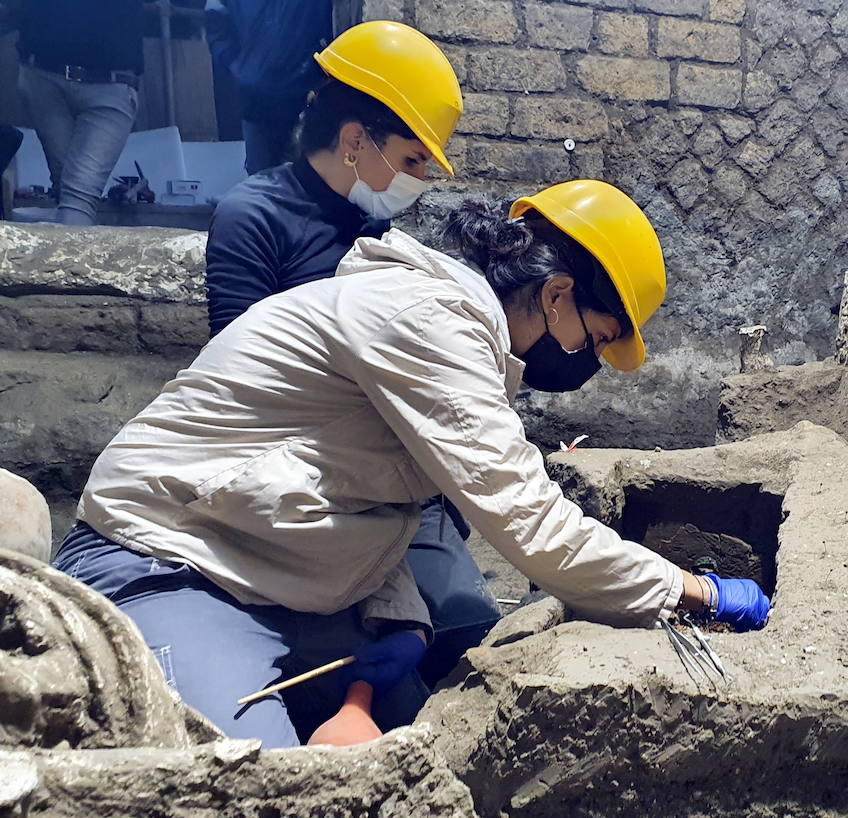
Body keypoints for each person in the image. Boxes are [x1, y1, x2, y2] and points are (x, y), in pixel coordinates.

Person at [52, 178, 773, 749]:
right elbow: (530, 520)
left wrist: (397, 618)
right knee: (251, 786)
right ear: (556, 297)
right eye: (597, 337)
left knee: (431, 730)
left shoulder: (452, 330)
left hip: (264, 569)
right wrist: (697, 592)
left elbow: (364, 488)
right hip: (166, 563)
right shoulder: (430, 320)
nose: (588, 361)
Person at [204, 20, 485, 686]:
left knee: (471, 632)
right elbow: (244, 389)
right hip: (302, 484)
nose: (418, 179)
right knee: (354, 674)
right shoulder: (253, 218)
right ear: (357, 140)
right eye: (413, 160)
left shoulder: (374, 223)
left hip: (393, 482)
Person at [13, 0, 142, 226]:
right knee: (74, 194)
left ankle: (59, 261)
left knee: (74, 193)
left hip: (56, 72)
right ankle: (63, 260)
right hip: (53, 76)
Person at [203, 0, 333, 175]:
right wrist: (236, 64)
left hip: (306, 96)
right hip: (256, 98)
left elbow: (334, 22)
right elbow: (215, 17)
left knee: (306, 180)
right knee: (259, 178)